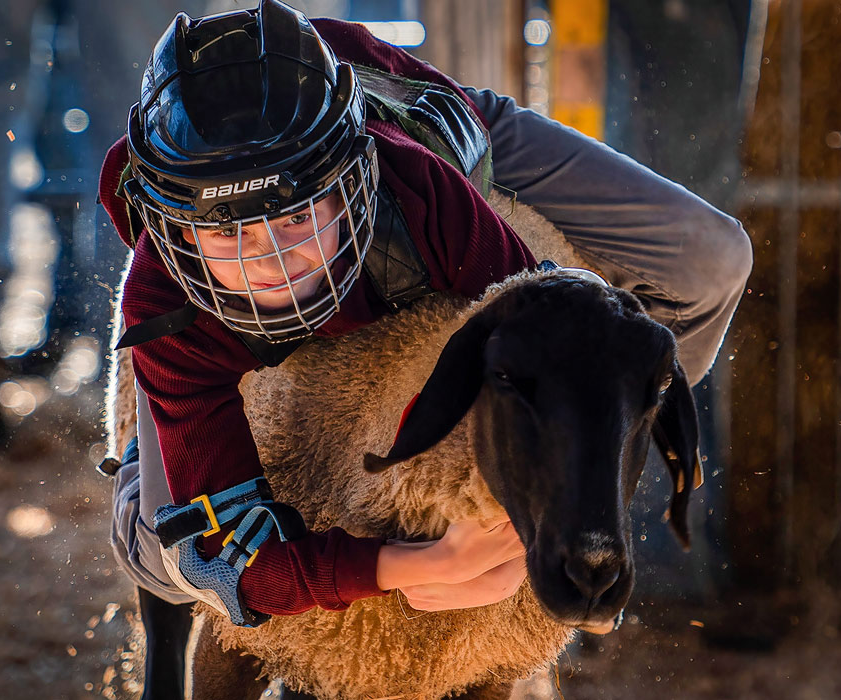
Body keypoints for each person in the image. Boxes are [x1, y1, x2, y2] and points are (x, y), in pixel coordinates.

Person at [101, 0, 750, 637]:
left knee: (714, 259)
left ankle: (608, 461)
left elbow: (552, 340)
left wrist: (579, 491)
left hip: (430, 119)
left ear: (356, 179)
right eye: (228, 232)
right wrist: (412, 567)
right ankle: (145, 454)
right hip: (311, 169)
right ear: (174, 233)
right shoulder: (165, 304)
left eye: (297, 216)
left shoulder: (420, 195)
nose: (273, 261)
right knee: (175, 556)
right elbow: (240, 567)